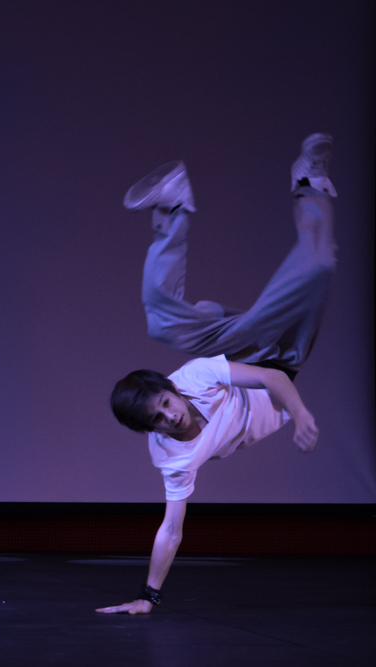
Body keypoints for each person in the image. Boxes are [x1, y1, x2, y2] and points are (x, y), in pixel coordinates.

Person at [96, 134, 337, 615]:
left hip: (251, 360)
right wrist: (148, 595)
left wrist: (301, 414)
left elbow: (268, 382)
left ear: (170, 389)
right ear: (149, 430)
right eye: (157, 419)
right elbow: (171, 528)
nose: (170, 415)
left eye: (166, 403)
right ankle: (312, 182)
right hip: (282, 359)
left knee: (162, 323)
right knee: (319, 264)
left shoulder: (193, 378)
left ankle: (173, 206)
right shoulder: (172, 459)